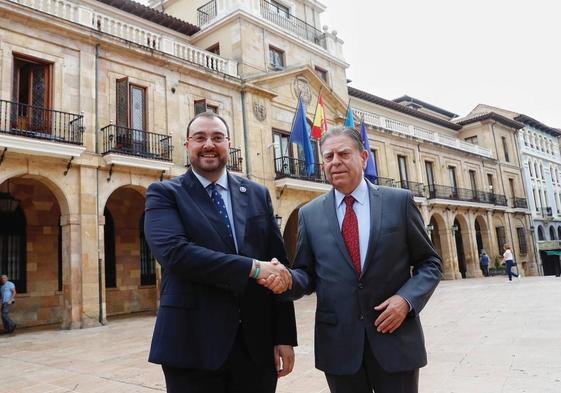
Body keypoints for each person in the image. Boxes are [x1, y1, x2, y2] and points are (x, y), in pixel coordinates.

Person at [261, 126, 442, 393]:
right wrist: (287, 279)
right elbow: (306, 274)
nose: (335, 162)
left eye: (343, 153)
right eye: (328, 156)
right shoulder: (310, 215)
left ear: (364, 157)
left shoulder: (398, 202)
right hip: (339, 345)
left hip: (395, 339)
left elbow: (430, 263)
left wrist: (406, 300)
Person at [144, 112, 297, 393]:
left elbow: (278, 264)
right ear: (188, 144)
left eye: (217, 137)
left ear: (229, 144)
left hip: (255, 346)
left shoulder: (257, 194)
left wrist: (284, 336)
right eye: (200, 137)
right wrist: (253, 267)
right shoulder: (165, 194)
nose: (208, 145)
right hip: (192, 344)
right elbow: (176, 254)